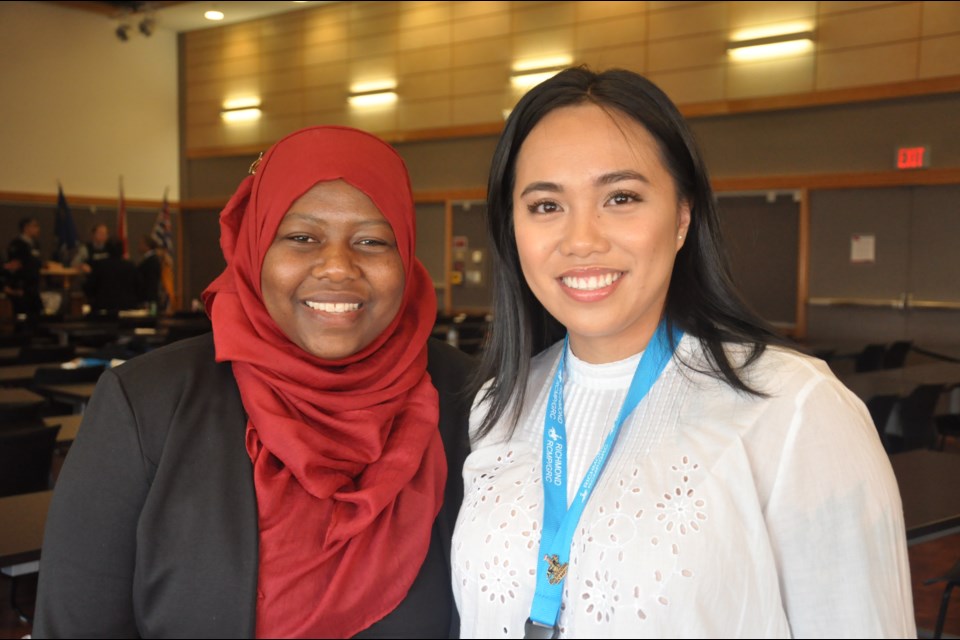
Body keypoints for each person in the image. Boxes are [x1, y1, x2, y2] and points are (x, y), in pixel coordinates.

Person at [451, 67, 915, 638]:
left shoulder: (793, 409)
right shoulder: (499, 405)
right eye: (546, 206)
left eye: (620, 197)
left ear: (682, 218)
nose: (581, 240)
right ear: (512, 228)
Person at [34, 125, 476, 638]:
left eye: (373, 240)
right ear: (256, 246)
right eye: (302, 238)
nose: (337, 267)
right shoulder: (145, 406)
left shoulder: (471, 400)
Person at [81, 237, 141, 315]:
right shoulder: (130, 266)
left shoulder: (100, 266)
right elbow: (139, 286)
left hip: (103, 310)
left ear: (107, 249)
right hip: (128, 309)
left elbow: (89, 287)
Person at [5, 216, 44, 324]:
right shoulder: (16, 244)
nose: (38, 229)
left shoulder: (35, 244)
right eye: (35, 226)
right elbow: (14, 265)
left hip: (34, 285)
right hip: (21, 286)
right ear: (26, 228)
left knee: (37, 313)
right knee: (21, 316)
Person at [137, 233, 163, 312]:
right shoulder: (150, 260)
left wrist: (148, 301)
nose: (139, 246)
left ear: (147, 246)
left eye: (141, 244)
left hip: (149, 300)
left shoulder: (151, 261)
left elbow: (151, 282)